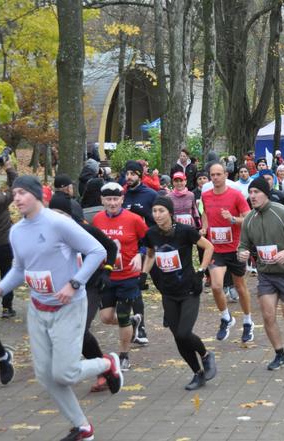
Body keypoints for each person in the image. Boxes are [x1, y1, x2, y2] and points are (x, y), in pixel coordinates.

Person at [0, 176, 123, 441]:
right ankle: (83, 428)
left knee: (65, 372)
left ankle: (108, 363)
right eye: (13, 193)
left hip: (69, 306)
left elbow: (97, 251)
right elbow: (19, 269)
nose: (16, 198)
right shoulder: (17, 231)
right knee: (46, 376)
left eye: (21, 193)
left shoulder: (58, 223)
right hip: (38, 309)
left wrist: (75, 283)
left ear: (37, 195)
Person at [238, 177, 284, 371]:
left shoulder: (281, 212)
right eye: (251, 193)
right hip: (266, 274)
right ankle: (280, 354)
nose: (252, 196)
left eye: (256, 192)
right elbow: (242, 246)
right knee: (267, 315)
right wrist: (242, 254)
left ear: (266, 194)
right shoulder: (249, 219)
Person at [142, 196, 217, 390]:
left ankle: (206, 355)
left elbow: (209, 247)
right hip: (168, 292)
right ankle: (197, 373)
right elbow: (151, 254)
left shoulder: (184, 231)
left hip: (189, 289)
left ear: (170, 213)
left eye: (161, 211)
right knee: (178, 337)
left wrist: (201, 271)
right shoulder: (151, 233)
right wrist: (143, 274)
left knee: (184, 333)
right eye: (155, 211)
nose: (157, 215)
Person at [49, 194, 118, 393]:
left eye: (61, 213)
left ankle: (103, 368)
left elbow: (110, 247)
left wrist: (107, 270)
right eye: (52, 214)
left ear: (69, 215)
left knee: (79, 330)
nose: (57, 218)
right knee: (69, 332)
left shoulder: (85, 230)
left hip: (92, 286)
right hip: (66, 288)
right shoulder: (50, 234)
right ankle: (103, 366)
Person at [93, 182, 149, 370]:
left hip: (128, 276)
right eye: (108, 199)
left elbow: (148, 241)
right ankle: (134, 322)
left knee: (123, 316)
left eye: (116, 199)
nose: (112, 203)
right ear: (102, 200)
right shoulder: (97, 220)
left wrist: (139, 255)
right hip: (107, 276)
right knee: (106, 317)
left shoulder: (133, 219)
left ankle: (124, 355)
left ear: (122, 199)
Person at [200, 163, 254, 343]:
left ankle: (248, 321)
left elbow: (248, 219)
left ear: (225, 175)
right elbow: (205, 213)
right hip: (216, 249)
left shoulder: (236, 195)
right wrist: (205, 227)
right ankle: (226, 318)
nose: (215, 178)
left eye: (218, 174)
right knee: (216, 286)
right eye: (212, 175)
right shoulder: (205, 195)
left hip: (236, 248)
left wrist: (231, 219)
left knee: (240, 286)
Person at [122, 160, 157, 344]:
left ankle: (142, 326)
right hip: (129, 249)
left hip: (147, 247)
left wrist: (145, 216)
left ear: (139, 175)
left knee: (149, 284)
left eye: (133, 174)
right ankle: (139, 327)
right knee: (134, 287)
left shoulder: (150, 195)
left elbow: (160, 218)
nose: (129, 177)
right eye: (127, 173)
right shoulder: (122, 195)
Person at [0, 163, 17, 318]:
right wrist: (9, 169)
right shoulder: (3, 199)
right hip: (4, 244)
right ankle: (7, 307)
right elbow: (15, 186)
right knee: (7, 274)